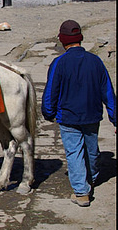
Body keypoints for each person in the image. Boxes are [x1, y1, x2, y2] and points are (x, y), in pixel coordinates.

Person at [41, 20, 116, 206]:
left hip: (68, 117)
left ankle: (82, 192)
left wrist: (48, 112)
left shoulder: (59, 63)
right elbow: (108, 92)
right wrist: (115, 119)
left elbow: (51, 91)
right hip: (92, 115)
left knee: (74, 152)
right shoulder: (96, 61)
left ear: (63, 40)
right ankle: (90, 180)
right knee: (91, 150)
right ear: (80, 39)